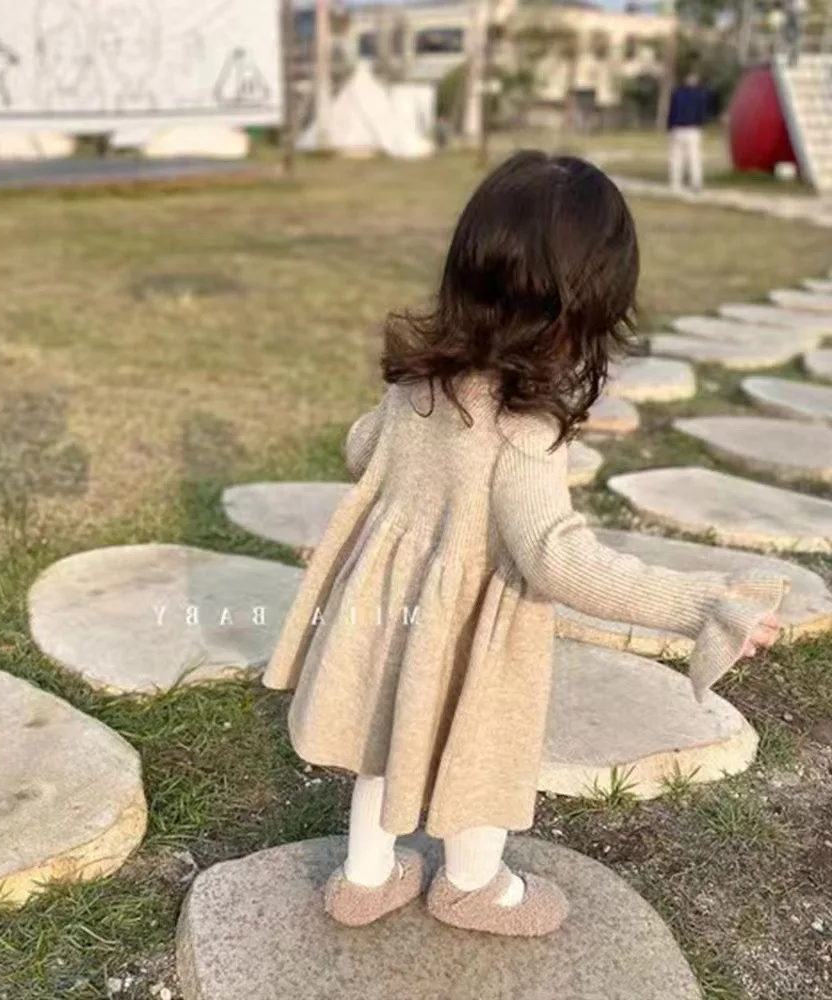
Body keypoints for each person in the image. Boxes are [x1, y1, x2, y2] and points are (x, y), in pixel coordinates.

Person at [262, 152, 787, 936]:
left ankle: (364, 877)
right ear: (587, 303)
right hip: (473, 627)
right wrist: (701, 604)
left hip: (389, 610)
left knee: (383, 731)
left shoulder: (417, 386)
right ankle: (472, 885)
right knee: (478, 747)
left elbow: (360, 448)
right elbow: (557, 558)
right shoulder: (525, 428)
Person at [667, 70, 710, 193]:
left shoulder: (677, 93)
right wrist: (702, 126)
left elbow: (672, 111)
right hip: (693, 129)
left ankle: (675, 184)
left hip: (678, 128)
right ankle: (695, 183)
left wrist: (670, 127)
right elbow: (702, 113)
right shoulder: (700, 94)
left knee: (676, 158)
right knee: (694, 158)